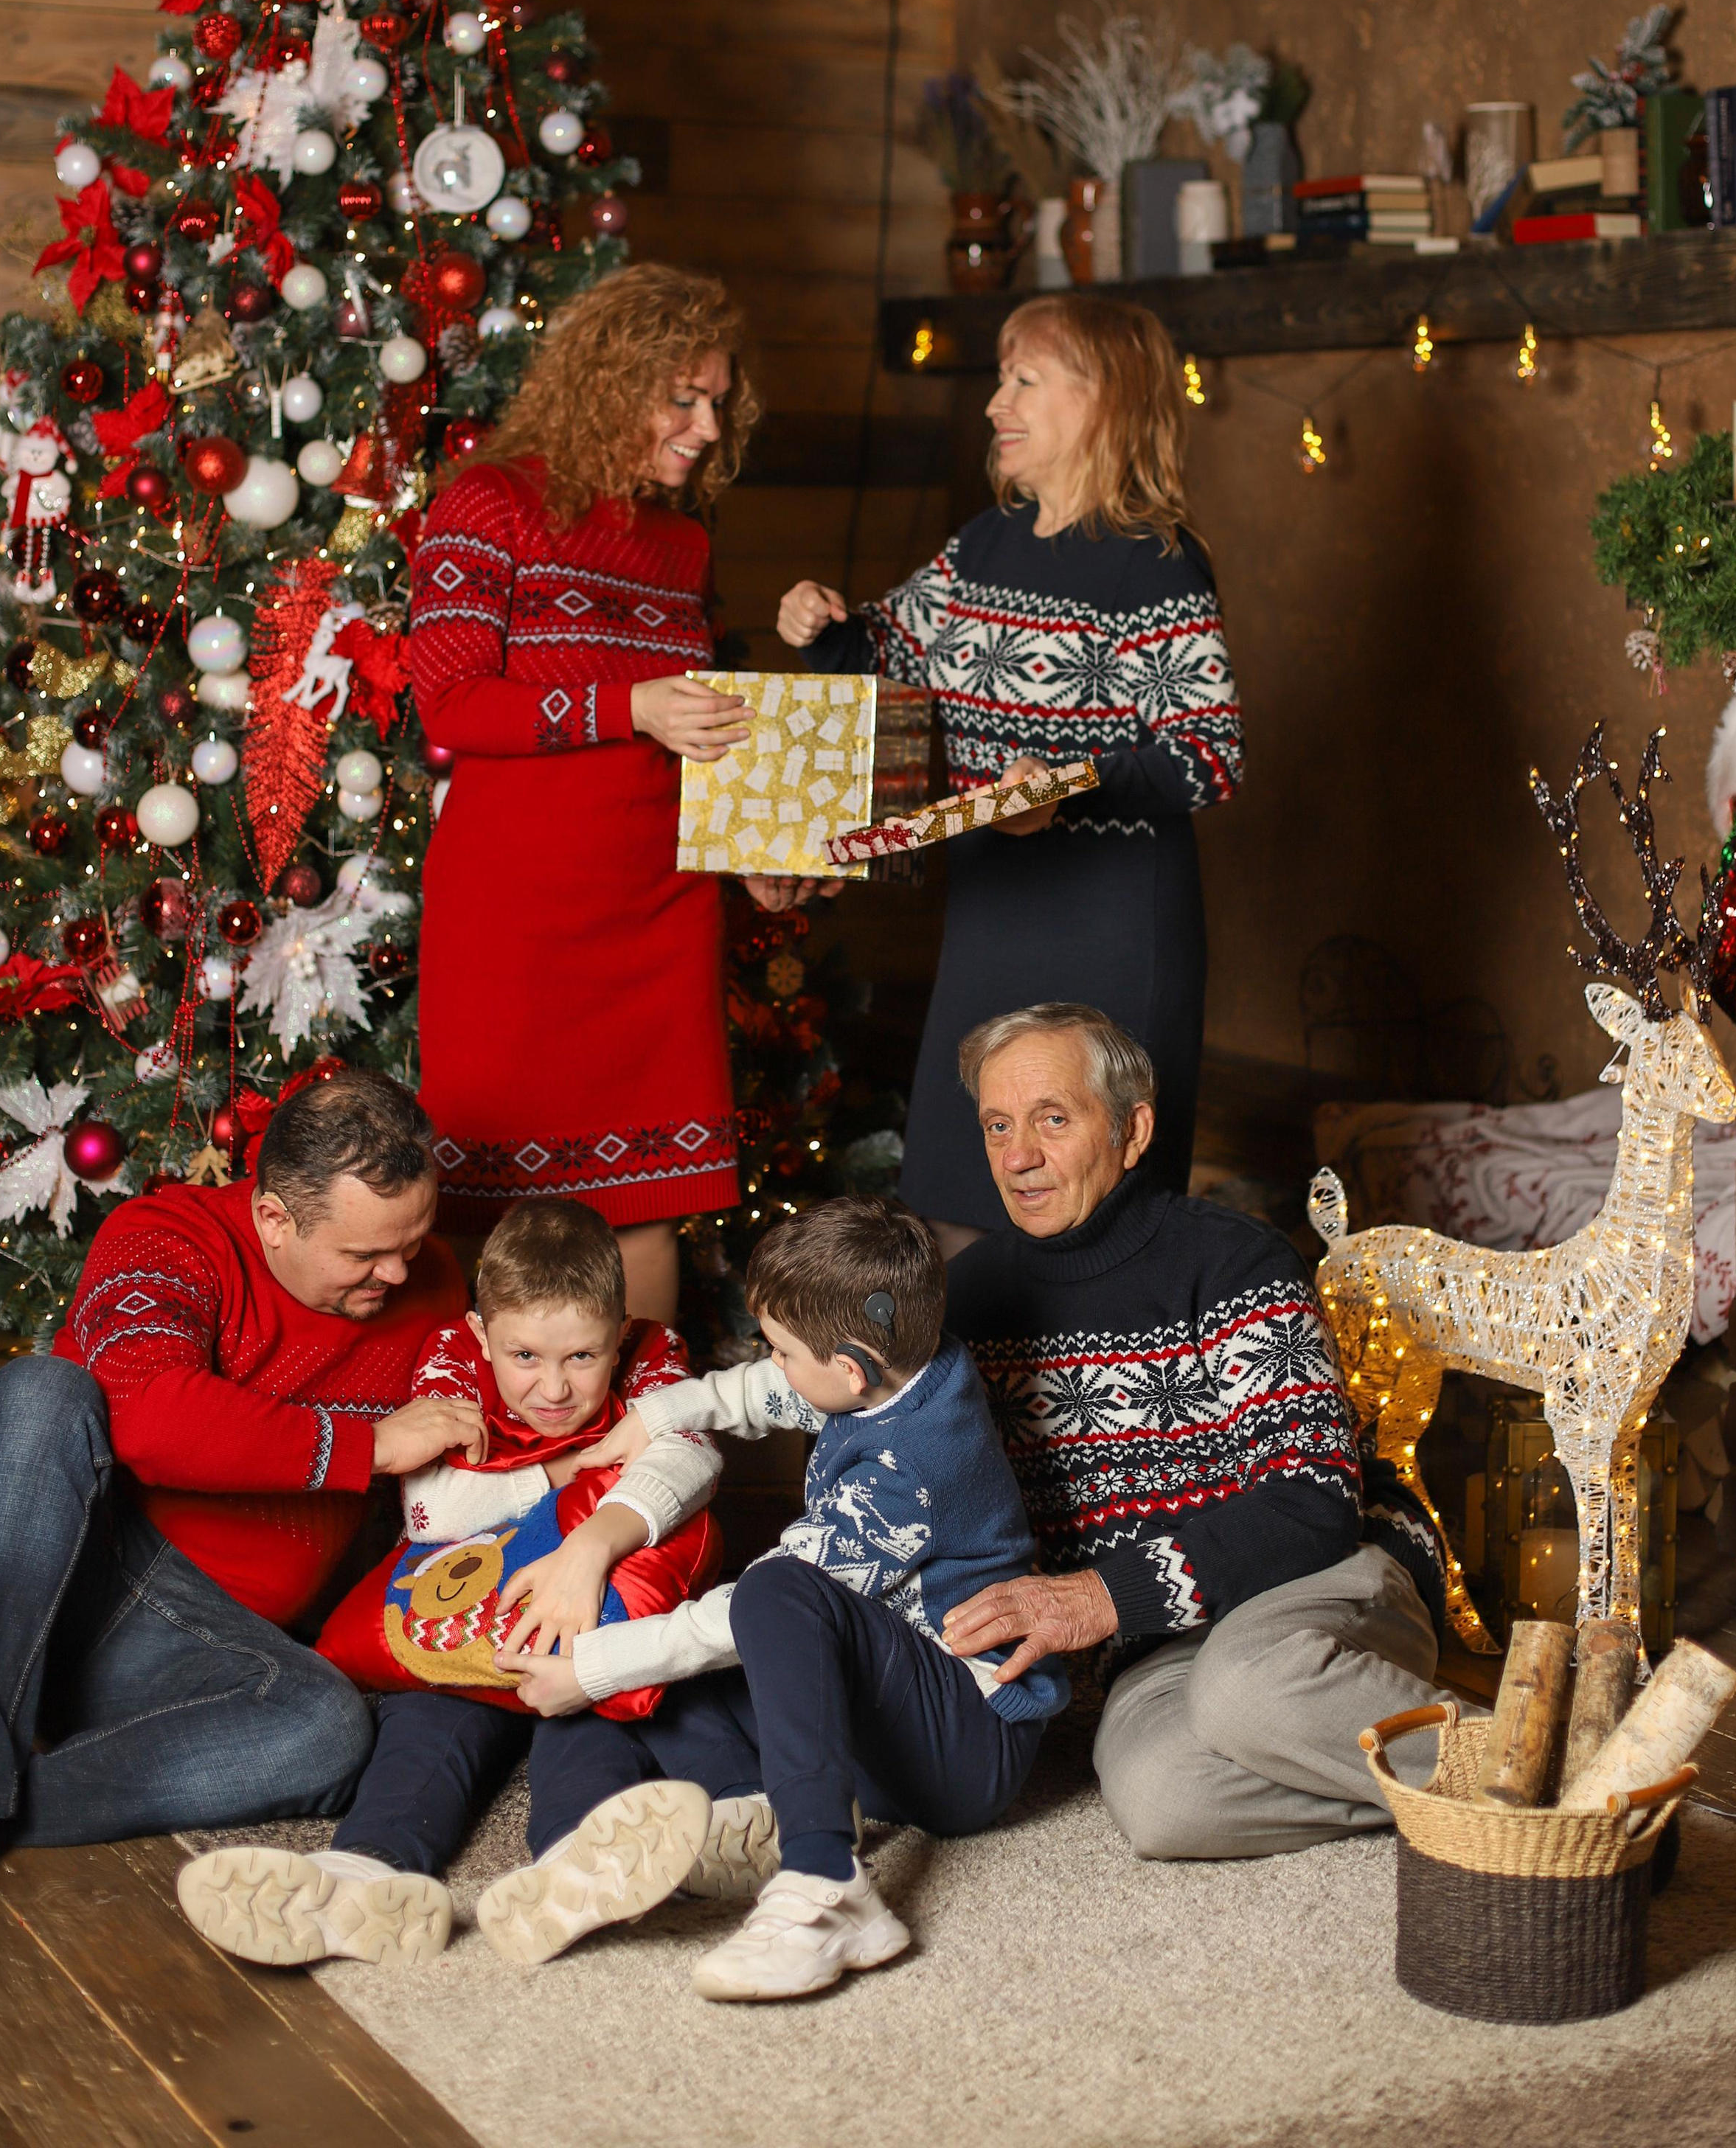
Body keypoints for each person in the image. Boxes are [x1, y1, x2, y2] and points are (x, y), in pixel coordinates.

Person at [485, 1194, 1068, 1995]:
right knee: (624, 1699)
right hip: (873, 1707)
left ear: (851, 1368)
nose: (775, 1361)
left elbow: (750, 1613)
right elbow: (774, 1389)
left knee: (769, 1594)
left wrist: (596, 1660)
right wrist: (657, 1416)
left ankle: (827, 1884)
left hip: (967, 1739)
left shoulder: (915, 1469)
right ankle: (581, 1851)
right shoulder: (895, 1365)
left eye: (784, 1348)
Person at [777, 293, 1241, 1253]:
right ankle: (974, 1406)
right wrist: (824, 626)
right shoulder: (983, 544)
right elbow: (884, 654)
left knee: (1094, 1208)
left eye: (1024, 380)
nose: (996, 404)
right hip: (991, 917)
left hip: (1115, 926)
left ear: (1102, 400)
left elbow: (1208, 757)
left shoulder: (1156, 566)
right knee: (959, 1194)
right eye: (1001, 379)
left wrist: (1071, 785)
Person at [940, 1003, 1451, 1859]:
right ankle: (1467, 1796)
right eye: (998, 1125)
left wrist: (1099, 1597)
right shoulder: (967, 1298)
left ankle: (1561, 1785)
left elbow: (1312, 1504)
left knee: (1245, 1689)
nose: (1017, 1156)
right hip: (1155, 1640)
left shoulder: (1232, 1260)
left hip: (1317, 1580)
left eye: (1051, 1120)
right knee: (1166, 1802)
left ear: (1133, 1130)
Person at [179, 1200, 729, 1972]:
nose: (554, 1389)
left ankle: (576, 1864)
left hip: (576, 1638)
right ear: (482, 1336)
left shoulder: (653, 1350)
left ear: (619, 1331)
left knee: (592, 1719)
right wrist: (575, 1470)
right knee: (425, 1731)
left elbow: (692, 1459)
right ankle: (361, 1880)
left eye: (582, 1357)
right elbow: (435, 1509)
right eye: (525, 1357)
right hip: (458, 1628)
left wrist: (588, 1553)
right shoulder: (452, 1356)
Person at [410, 262, 794, 1325]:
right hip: (516, 918)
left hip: (658, 916)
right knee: (488, 1208)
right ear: (607, 382)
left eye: (718, 400)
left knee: (646, 1208)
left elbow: (697, 724)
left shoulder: (681, 544)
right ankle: (485, 1470)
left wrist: (752, 843)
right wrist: (627, 707)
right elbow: (451, 704)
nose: (708, 426)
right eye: (683, 398)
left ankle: (646, 1471)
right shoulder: (489, 503)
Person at [0, 1069, 468, 1854]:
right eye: (367, 1253)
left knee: (326, 1729)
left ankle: (17, 1810)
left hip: (204, 1647)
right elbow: (148, 1415)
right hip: (80, 1566)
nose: (398, 1273)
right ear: (276, 1218)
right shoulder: (166, 1236)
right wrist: (368, 1445)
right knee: (42, 1392)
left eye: (413, 1241)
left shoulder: (431, 1283)